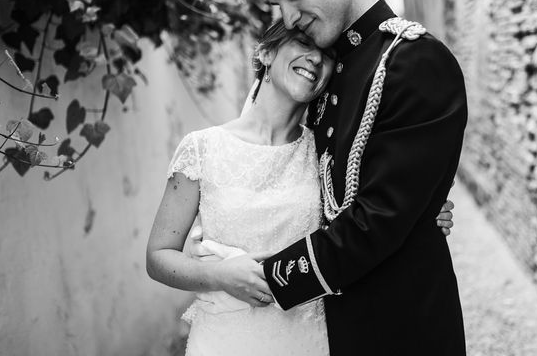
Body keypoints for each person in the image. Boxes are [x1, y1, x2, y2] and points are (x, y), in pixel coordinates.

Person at [147, 20, 456, 354]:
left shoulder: (328, 155)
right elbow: (158, 257)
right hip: (224, 339)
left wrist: (422, 210)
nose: (315, 59)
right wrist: (220, 276)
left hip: (309, 339)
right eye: (303, 44)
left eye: (326, 56)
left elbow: (376, 214)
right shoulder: (202, 148)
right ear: (265, 52)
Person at [245, 0, 468, 355]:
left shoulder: (413, 62)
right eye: (277, 5)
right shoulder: (323, 69)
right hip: (331, 327)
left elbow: (376, 221)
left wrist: (262, 279)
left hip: (403, 327)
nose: (287, 19)